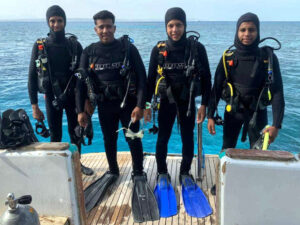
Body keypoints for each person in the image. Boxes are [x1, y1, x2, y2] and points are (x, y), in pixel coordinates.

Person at [76, 10, 159, 221]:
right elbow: (80, 84)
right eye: (101, 27)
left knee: (133, 138)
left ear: (115, 27)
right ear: (95, 29)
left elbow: (142, 78)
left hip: (129, 105)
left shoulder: (127, 49)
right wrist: (80, 110)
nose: (105, 30)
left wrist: (141, 105)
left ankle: (138, 172)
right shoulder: (89, 52)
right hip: (105, 105)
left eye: (109, 26)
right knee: (109, 139)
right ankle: (113, 171)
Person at [144, 7, 212, 218]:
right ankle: (162, 172)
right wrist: (147, 106)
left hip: (188, 102)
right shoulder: (158, 50)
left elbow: (208, 79)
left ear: (185, 25)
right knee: (162, 138)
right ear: (166, 27)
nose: (175, 29)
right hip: (165, 102)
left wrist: (204, 106)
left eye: (179, 25)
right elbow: (149, 81)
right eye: (171, 25)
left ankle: (184, 172)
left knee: (186, 137)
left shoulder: (196, 48)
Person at [207, 12, 285, 194]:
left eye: (251, 30)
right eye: (243, 29)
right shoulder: (228, 58)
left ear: (258, 32)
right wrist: (210, 115)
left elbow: (277, 92)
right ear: (237, 31)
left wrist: (276, 125)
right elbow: (216, 89)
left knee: (258, 154)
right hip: (233, 112)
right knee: (226, 149)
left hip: (258, 114)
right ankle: (221, 181)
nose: (247, 34)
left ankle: (253, 188)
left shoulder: (268, 58)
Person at [28, 5, 93, 176]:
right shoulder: (41, 45)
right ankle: (55, 168)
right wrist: (34, 106)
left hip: (73, 97)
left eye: (59, 20)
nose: (56, 24)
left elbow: (83, 76)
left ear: (65, 22)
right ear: (48, 22)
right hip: (52, 97)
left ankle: (77, 164)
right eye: (52, 21)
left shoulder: (74, 45)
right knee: (55, 134)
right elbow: (32, 77)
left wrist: (86, 102)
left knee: (76, 132)